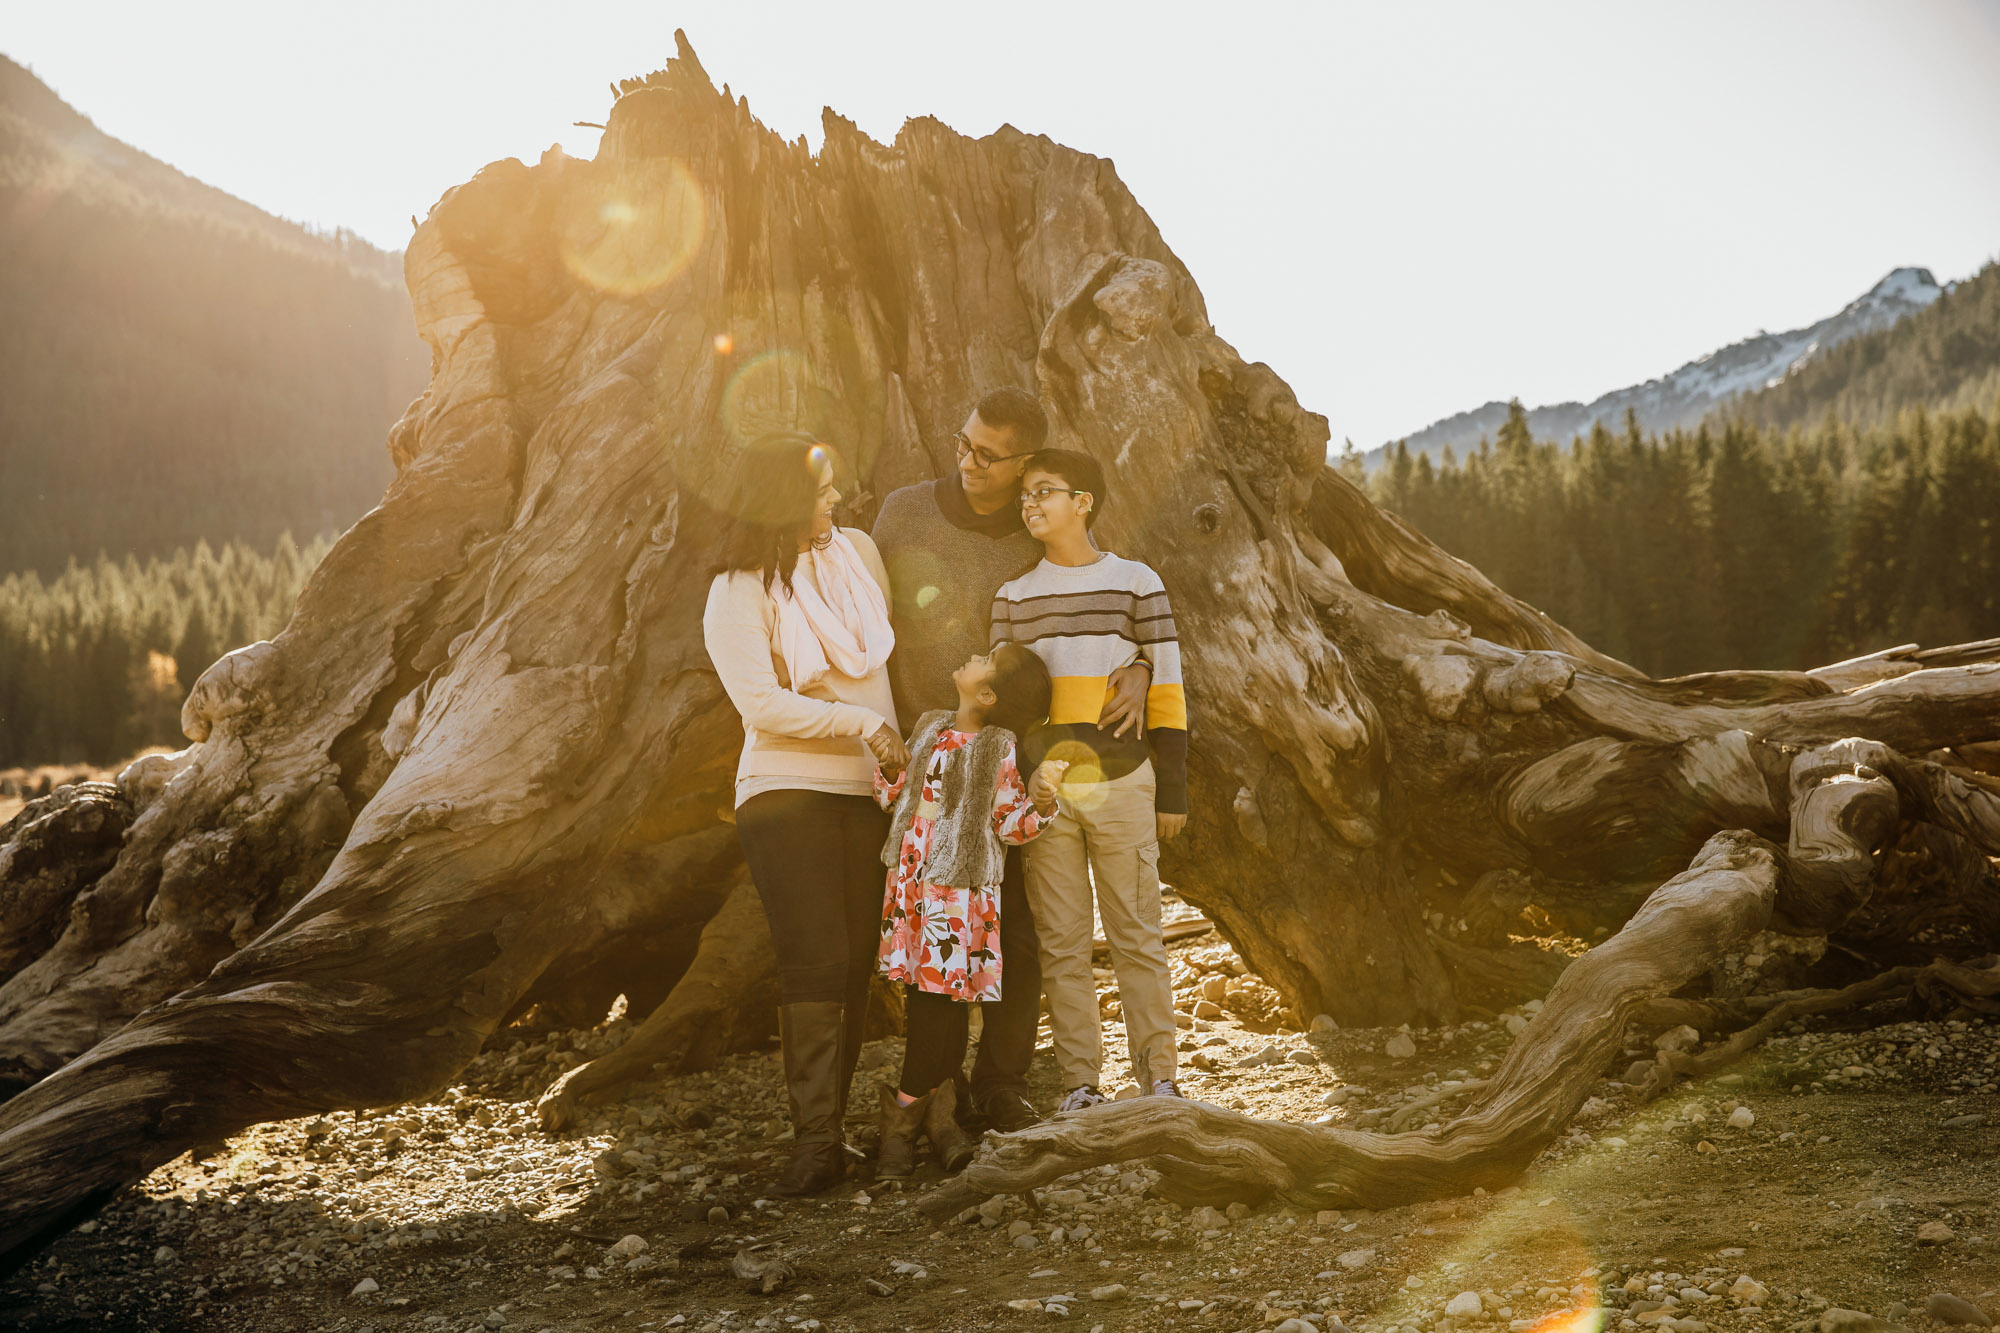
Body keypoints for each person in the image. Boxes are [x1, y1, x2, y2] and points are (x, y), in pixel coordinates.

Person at [870, 387, 1151, 1130]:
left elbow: (1106, 593)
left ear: (1028, 464)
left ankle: (1001, 1079)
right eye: (962, 443)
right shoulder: (901, 513)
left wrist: (1143, 665)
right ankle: (931, 1083)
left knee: (1017, 926)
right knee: (935, 928)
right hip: (930, 761)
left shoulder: (1039, 526)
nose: (967, 462)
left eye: (988, 455)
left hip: (1021, 757)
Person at [701, 431, 911, 1197]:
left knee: (855, 963)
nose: (836, 499)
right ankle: (813, 1145)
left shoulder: (855, 553)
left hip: (868, 793)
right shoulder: (738, 589)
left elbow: (886, 662)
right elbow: (760, 704)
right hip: (785, 792)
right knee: (817, 959)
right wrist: (863, 726)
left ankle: (831, 1138)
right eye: (821, 489)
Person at [991, 448, 1189, 1113]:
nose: (1030, 503)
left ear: (1084, 502)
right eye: (1025, 494)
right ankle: (1082, 1083)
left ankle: (1158, 1076)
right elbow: (1006, 707)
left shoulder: (1138, 583)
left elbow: (1168, 691)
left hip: (1126, 781)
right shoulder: (1012, 597)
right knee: (1063, 944)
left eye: (1044, 491)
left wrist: (1175, 790)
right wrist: (1022, 783)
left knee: (1138, 934)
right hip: (1047, 795)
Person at [869, 644, 1061, 1178]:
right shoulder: (929, 727)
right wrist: (888, 768)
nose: (973, 652)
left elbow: (1008, 824)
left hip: (958, 899)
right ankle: (942, 1120)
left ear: (988, 694)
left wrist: (1042, 806)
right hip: (910, 888)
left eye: (987, 658)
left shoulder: (1000, 746)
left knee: (938, 1004)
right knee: (931, 1004)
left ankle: (902, 1121)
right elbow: (894, 798)